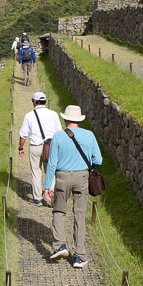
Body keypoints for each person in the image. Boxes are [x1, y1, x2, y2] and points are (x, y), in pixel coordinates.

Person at [43, 105, 102, 268]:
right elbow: (99, 160)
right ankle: (79, 256)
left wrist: (48, 185)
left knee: (59, 211)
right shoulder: (89, 135)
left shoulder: (58, 136)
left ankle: (60, 246)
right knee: (80, 214)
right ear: (79, 120)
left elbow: (52, 163)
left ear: (65, 119)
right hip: (82, 177)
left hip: (62, 177)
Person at [18, 91, 63, 206]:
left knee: (36, 173)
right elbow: (59, 132)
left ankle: (37, 198)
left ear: (35, 101)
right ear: (44, 102)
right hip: (51, 147)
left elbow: (23, 135)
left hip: (36, 147)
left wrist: (21, 148)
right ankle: (51, 196)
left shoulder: (29, 115)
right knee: (51, 172)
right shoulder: (53, 114)